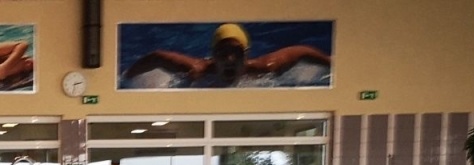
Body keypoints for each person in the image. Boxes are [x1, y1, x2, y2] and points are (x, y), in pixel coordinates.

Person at [121, 23, 331, 89]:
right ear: (213, 56)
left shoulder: (265, 68)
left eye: (236, 53)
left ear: (246, 55)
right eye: (223, 54)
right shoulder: (198, 70)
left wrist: (333, 64)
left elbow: (302, 51)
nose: (230, 60)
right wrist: (125, 79)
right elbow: (156, 56)